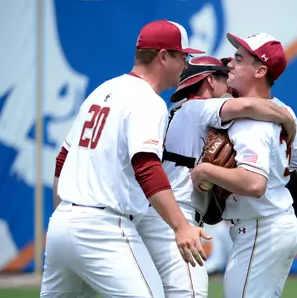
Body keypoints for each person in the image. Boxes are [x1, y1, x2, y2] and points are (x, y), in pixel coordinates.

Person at [40, 20, 211, 298]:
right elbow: (146, 167)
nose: (186, 64)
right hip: (103, 228)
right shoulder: (147, 100)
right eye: (182, 56)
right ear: (163, 56)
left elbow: (63, 159)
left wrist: (66, 215)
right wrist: (181, 226)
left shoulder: (101, 91)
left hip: (62, 224)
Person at [136, 55, 297, 298]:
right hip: (174, 216)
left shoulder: (179, 111)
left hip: (161, 214)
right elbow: (248, 105)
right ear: (210, 81)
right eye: (223, 76)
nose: (229, 80)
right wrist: (287, 117)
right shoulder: (198, 107)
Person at [191, 32, 297, 298]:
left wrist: (206, 170)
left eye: (239, 58)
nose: (230, 64)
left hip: (261, 228)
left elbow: (255, 184)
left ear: (260, 70)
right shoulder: (283, 111)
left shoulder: (249, 123)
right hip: (276, 225)